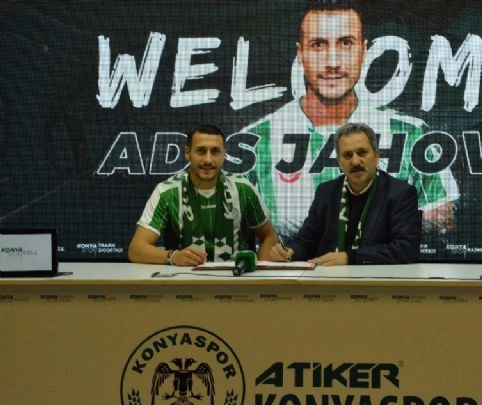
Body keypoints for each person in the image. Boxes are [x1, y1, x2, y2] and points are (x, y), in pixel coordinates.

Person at [235, 0, 459, 237]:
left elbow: (443, 218)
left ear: (363, 51)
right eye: (318, 44)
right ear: (300, 54)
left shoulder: (410, 133)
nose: (333, 62)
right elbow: (230, 225)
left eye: (345, 43)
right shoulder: (254, 141)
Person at [268, 122, 421, 265]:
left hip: (376, 280)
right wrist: (289, 252)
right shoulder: (326, 192)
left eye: (362, 153)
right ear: (339, 162)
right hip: (328, 280)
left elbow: (406, 249)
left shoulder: (400, 194)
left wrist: (350, 258)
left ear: (376, 156)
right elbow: (306, 241)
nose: (355, 162)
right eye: (347, 155)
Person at [128, 124, 277, 266]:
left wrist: (262, 263)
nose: (208, 160)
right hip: (184, 277)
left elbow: (269, 236)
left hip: (236, 276)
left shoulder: (244, 189)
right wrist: (172, 257)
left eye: (215, 151)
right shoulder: (166, 191)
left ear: (224, 154)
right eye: (201, 151)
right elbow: (136, 249)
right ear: (187, 153)